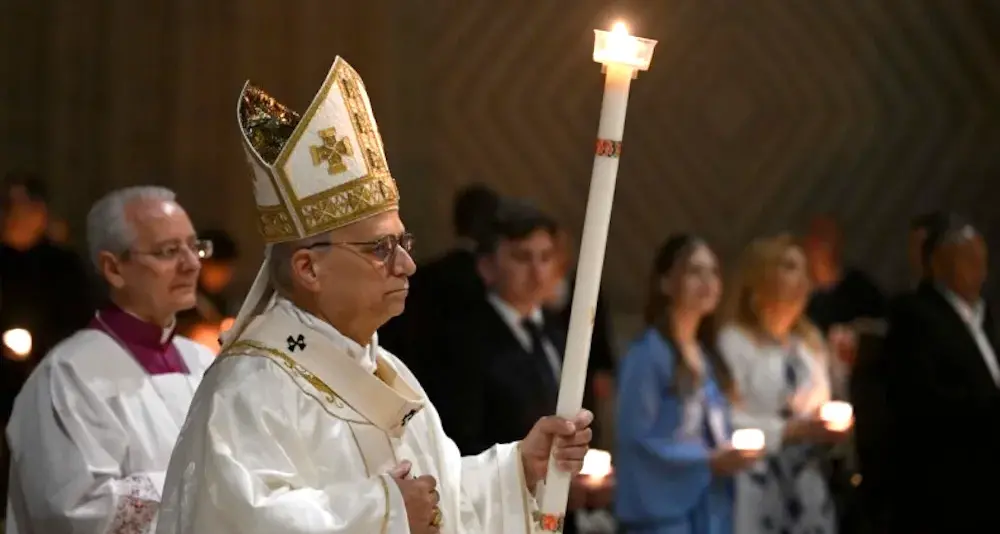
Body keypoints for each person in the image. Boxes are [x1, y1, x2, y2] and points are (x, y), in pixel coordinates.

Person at [155, 57, 593, 534]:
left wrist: (517, 471)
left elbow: (440, 499)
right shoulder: (252, 388)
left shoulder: (386, 370)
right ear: (308, 268)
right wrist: (384, 513)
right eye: (380, 249)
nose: (405, 265)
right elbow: (240, 521)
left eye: (404, 244)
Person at [4, 186, 217, 534]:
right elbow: (76, 511)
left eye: (195, 247)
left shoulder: (203, 361)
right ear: (114, 268)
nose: (192, 263)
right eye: (168, 251)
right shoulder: (69, 376)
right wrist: (206, 481)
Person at [616, 235, 759, 534]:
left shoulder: (706, 355)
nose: (707, 281)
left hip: (708, 508)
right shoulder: (648, 354)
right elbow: (636, 441)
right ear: (666, 282)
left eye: (714, 272)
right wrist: (706, 462)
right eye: (695, 271)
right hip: (665, 515)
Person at [718, 234, 850, 534]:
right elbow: (725, 419)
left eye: (804, 269)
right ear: (760, 277)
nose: (804, 278)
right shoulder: (734, 342)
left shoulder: (808, 342)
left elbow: (828, 404)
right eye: (790, 266)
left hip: (808, 483)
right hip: (757, 483)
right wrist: (792, 431)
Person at [884, 214, 998, 532]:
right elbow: (924, 398)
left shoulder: (985, 314)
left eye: (982, 260)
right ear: (938, 265)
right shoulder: (915, 316)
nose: (980, 269)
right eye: (968, 260)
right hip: (952, 475)